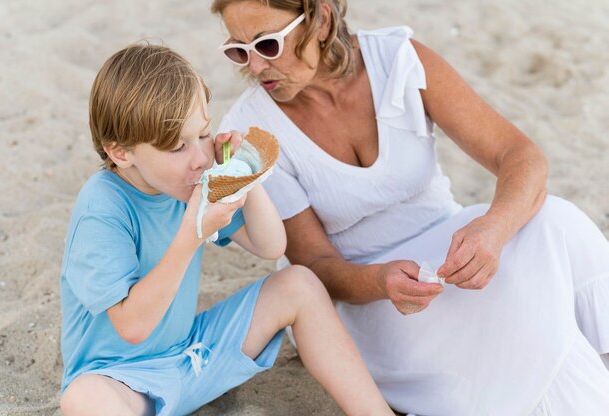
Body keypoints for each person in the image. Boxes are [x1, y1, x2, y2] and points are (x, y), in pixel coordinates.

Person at [211, 0, 609, 414]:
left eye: (267, 45)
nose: (255, 67)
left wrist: (494, 228)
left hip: (449, 248)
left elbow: (521, 156)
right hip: (369, 300)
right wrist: (381, 281)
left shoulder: (398, 61)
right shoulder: (251, 132)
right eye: (238, 50)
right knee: (529, 325)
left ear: (321, 20)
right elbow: (314, 264)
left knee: (555, 219)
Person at [58, 43, 395, 416]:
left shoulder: (191, 183)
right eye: (177, 148)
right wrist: (191, 235)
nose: (201, 158)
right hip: (122, 382)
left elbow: (270, 245)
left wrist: (245, 178)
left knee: (299, 283)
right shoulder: (102, 207)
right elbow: (133, 327)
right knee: (82, 398)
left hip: (193, 357)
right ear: (121, 153)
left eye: (203, 134)